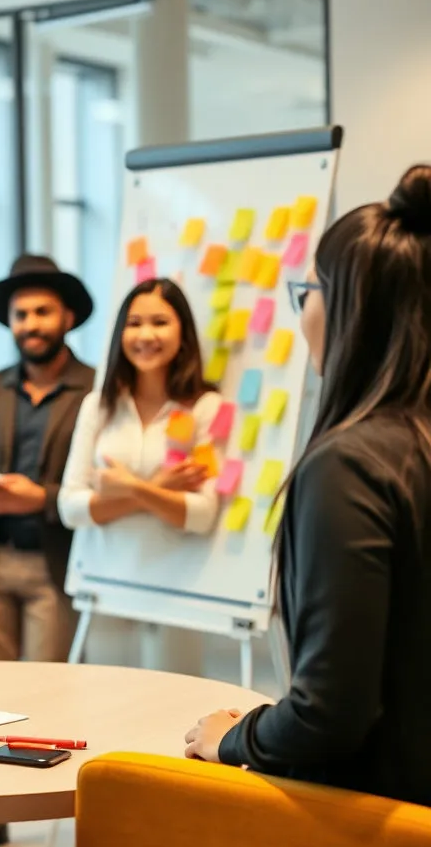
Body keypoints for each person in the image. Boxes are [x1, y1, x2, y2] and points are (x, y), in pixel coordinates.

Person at [184, 165, 431, 807]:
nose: (304, 313)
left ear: (349, 309)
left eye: (308, 291)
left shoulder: (351, 466)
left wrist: (236, 737)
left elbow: (330, 714)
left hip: (383, 825)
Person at [54, 277, 220, 847]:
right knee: (105, 729)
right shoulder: (100, 406)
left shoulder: (204, 408)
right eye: (135, 323)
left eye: (160, 322)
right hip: (108, 589)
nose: (146, 335)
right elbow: (72, 505)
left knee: (180, 732)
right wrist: (158, 491)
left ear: (182, 332)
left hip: (184, 592)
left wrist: (125, 486)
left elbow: (201, 514)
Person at [0, 254, 96, 847]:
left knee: (47, 696)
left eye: (41, 311)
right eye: (20, 314)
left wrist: (47, 498)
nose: (31, 322)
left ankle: (45, 807)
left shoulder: (94, 389)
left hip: (55, 567)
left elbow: (98, 486)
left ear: (65, 316)